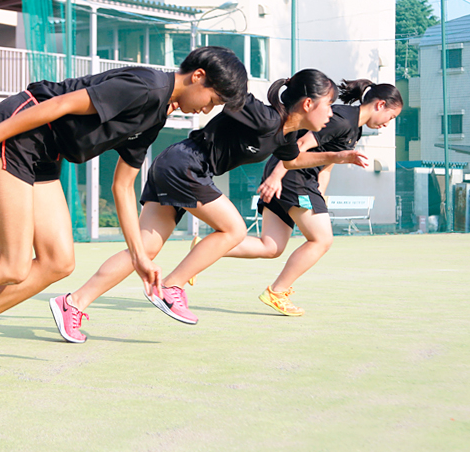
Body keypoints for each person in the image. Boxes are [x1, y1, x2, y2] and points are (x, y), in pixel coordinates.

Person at [0, 46, 249, 374]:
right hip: (18, 133)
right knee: (12, 263)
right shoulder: (145, 87)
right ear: (198, 76)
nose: (208, 110)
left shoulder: (156, 113)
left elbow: (123, 186)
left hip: (45, 153)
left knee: (58, 262)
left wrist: (139, 256)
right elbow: (59, 105)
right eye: (213, 100)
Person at [50, 69, 368, 342]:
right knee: (233, 229)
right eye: (328, 106)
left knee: (143, 250)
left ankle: (73, 302)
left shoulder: (285, 136)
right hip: (185, 165)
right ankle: (171, 287)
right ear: (308, 104)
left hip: (176, 165)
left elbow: (295, 159)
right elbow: (232, 93)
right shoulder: (262, 115)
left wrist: (340, 156)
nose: (331, 114)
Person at [223, 79, 403, 316]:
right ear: (380, 105)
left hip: (295, 178)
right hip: (293, 177)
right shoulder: (341, 119)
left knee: (271, 246)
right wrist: (277, 177)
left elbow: (327, 165)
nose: (388, 124)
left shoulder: (353, 127)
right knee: (322, 240)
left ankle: (208, 248)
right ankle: (277, 292)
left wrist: (321, 195)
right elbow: (298, 145)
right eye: (391, 117)